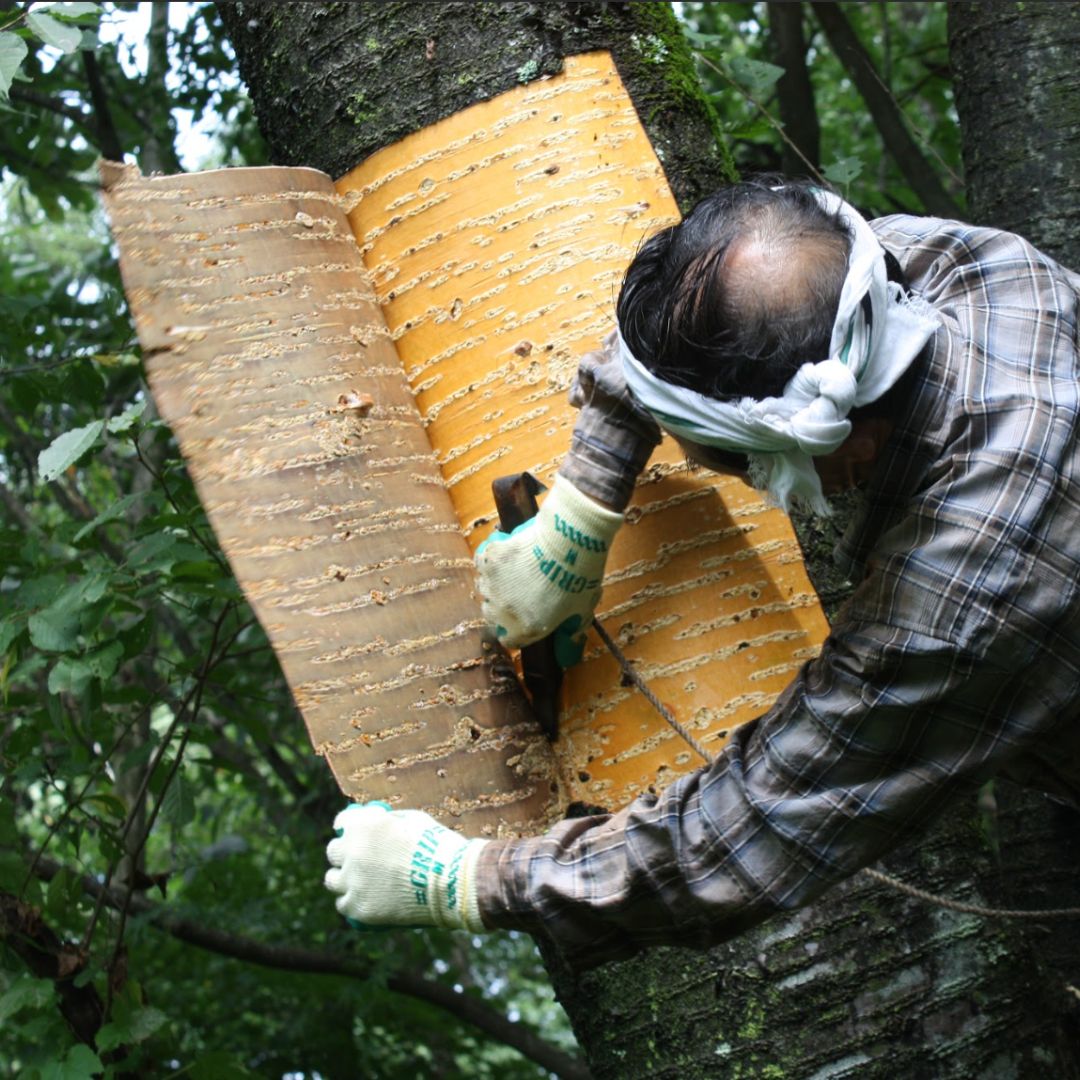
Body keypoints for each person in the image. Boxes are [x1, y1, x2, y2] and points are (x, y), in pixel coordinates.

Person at [324, 178, 1080, 970]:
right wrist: (579, 512)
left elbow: (749, 830)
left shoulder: (965, 592)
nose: (689, 459)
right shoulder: (944, 272)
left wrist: (476, 881)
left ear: (841, 451)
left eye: (724, 462)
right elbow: (699, 328)